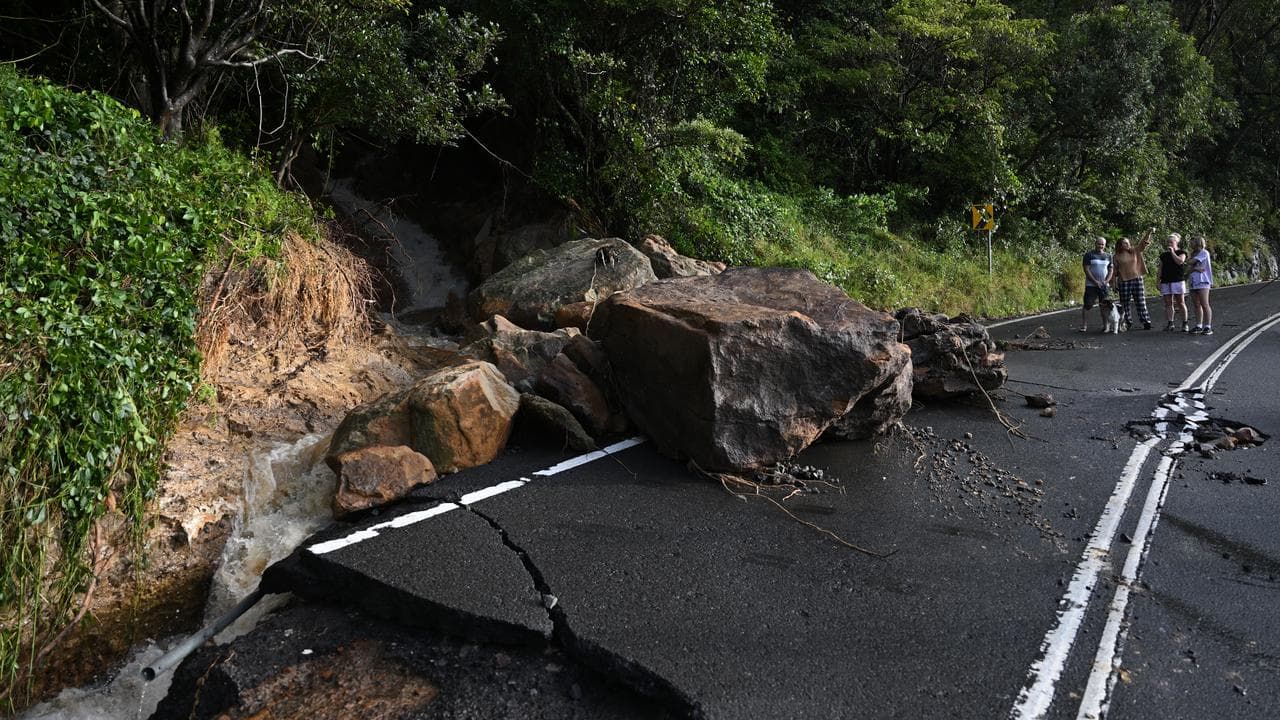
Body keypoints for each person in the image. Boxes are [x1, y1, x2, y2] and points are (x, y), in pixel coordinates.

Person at [1112, 229, 1153, 329]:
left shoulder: (1135, 251)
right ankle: (1127, 322)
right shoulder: (1116, 256)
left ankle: (1145, 321)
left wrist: (1148, 233)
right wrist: (1113, 283)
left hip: (1137, 279)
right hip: (1124, 281)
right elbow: (1114, 271)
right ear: (1120, 245)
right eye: (1125, 243)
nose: (1127, 244)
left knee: (1140, 301)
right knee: (1125, 303)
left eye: (1128, 242)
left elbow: (1143, 243)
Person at [1080, 236, 1114, 332]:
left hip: (1104, 285)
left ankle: (1105, 326)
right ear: (1095, 244)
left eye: (1102, 244)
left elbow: (1111, 270)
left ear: (1105, 245)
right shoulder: (1089, 255)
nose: (1100, 246)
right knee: (1088, 305)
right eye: (1099, 244)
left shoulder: (1108, 256)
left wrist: (1106, 281)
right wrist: (1095, 281)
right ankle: (1084, 325)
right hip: (1091, 285)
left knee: (1105, 306)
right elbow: (1086, 269)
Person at [1157, 232, 1188, 331]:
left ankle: (1184, 323)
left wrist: (1173, 252)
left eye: (1171, 242)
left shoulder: (1182, 252)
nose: (1169, 244)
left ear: (1176, 242)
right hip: (1166, 281)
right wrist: (1158, 280)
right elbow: (1160, 268)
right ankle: (1170, 323)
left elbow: (1180, 261)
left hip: (1177, 280)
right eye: (1168, 242)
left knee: (1180, 302)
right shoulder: (1163, 255)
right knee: (1168, 303)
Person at [1187, 235, 1213, 335]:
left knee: (1204, 304)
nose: (1191, 244)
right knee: (1196, 304)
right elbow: (1188, 265)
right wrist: (1194, 268)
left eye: (1192, 242)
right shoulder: (1192, 254)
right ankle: (1198, 325)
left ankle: (1208, 326)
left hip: (1203, 281)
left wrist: (1192, 267)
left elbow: (1191, 262)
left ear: (1198, 243)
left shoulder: (1204, 253)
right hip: (1193, 281)